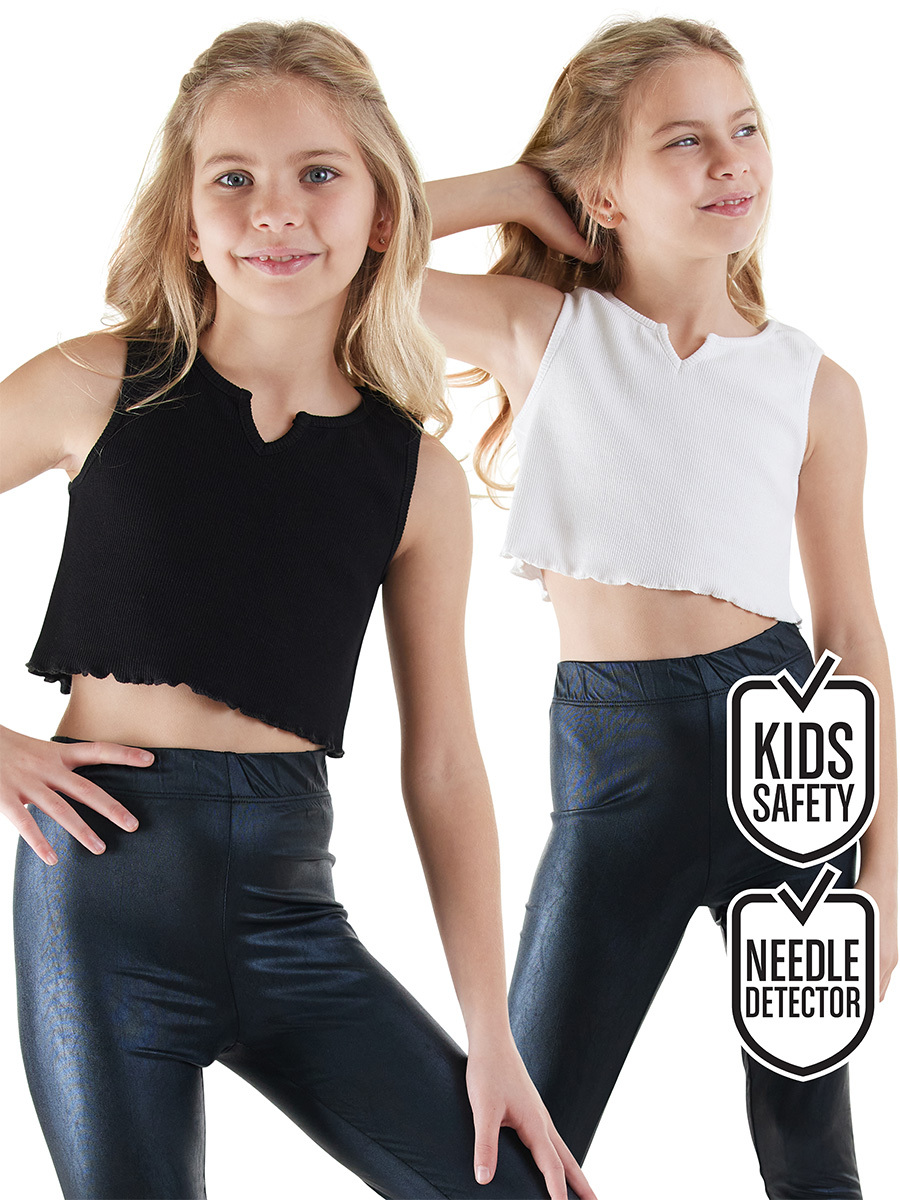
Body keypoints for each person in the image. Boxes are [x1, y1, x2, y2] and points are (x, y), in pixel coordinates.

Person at [0, 20, 594, 1200]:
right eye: (234, 180)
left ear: (382, 215)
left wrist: (493, 1038)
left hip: (293, 913)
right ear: (187, 220)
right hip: (104, 896)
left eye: (319, 174)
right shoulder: (93, 385)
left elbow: (445, 763)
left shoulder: (415, 478)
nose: (276, 212)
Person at [421, 16, 897, 1199]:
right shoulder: (543, 332)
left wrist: (886, 878)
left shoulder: (816, 386)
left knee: (809, 1146)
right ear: (602, 191)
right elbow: (341, 250)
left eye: (746, 130)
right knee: (519, 1145)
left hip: (791, 756)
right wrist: (515, 191)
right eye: (684, 141)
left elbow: (851, 633)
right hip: (615, 758)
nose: (731, 161)